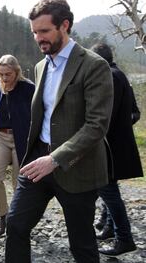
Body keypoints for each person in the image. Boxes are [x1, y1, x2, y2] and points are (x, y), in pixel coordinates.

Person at [5, 0, 113, 263]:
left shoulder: (94, 65)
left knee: (82, 245)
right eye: (34, 32)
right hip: (38, 160)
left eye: (44, 31)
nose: (38, 38)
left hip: (77, 165)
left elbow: (96, 125)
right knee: (16, 225)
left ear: (65, 25)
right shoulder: (41, 66)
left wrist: (55, 159)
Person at [90, 43, 143, 256]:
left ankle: (124, 238)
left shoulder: (109, 77)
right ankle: (111, 229)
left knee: (108, 192)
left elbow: (105, 117)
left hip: (108, 147)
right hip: (116, 145)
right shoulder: (119, 74)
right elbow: (133, 112)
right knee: (110, 191)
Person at [0, 55, 35, 239]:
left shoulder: (28, 88)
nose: (5, 78)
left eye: (8, 74)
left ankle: (19, 222)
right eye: (1, 74)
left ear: (17, 72)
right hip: (1, 137)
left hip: (21, 138)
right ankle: (3, 216)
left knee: (19, 183)